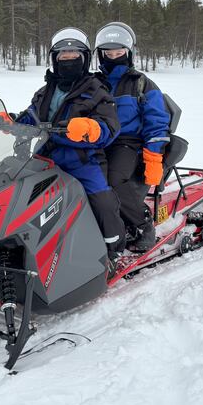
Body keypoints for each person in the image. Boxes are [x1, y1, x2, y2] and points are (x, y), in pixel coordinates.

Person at [14, 27, 127, 270]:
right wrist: (7, 121)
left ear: (84, 59)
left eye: (74, 55)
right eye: (63, 56)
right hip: (45, 158)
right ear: (54, 60)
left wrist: (90, 128)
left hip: (83, 159)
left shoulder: (97, 90)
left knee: (102, 201)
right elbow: (31, 117)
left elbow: (110, 126)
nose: (68, 60)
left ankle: (114, 248)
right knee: (16, 194)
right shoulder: (45, 92)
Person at [94, 22, 171, 252]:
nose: (113, 57)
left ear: (128, 54)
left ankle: (143, 223)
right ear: (101, 54)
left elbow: (157, 122)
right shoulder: (94, 83)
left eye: (119, 52)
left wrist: (154, 157)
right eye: (109, 53)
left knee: (112, 180)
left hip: (128, 142)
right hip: (97, 140)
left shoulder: (141, 83)